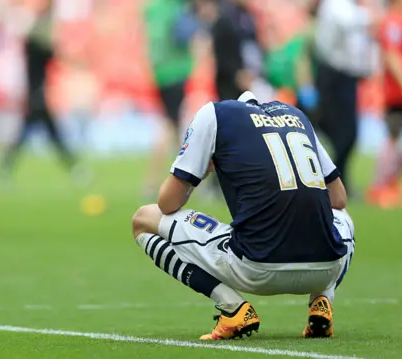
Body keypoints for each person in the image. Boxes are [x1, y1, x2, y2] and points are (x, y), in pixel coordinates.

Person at [130, 92, 354, 340]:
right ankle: (322, 300)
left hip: (256, 267)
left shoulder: (216, 115)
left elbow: (167, 203)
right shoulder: (296, 115)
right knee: (342, 216)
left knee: (144, 220)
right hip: (326, 268)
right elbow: (338, 198)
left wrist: (201, 172)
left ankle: (233, 308)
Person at [0, 4, 84, 184]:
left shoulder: (33, 44)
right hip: (37, 97)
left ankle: (4, 170)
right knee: (50, 135)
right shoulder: (37, 45)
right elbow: (56, 53)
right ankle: (74, 168)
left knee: (31, 136)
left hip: (35, 96)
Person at [314, 0, 378, 196]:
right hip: (333, 76)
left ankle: (339, 181)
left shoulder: (352, 8)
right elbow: (348, 22)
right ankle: (333, 182)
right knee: (342, 133)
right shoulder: (337, 6)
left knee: (348, 134)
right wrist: (372, 17)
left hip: (347, 77)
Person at [141, 0, 198, 199]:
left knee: (173, 127)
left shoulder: (152, 9)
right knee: (171, 125)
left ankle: (178, 180)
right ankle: (154, 181)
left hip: (160, 74)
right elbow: (185, 35)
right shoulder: (178, 7)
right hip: (177, 72)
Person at [368, 0, 402, 208]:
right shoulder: (392, 22)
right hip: (396, 94)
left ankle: (388, 184)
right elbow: (391, 56)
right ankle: (380, 186)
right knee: (392, 138)